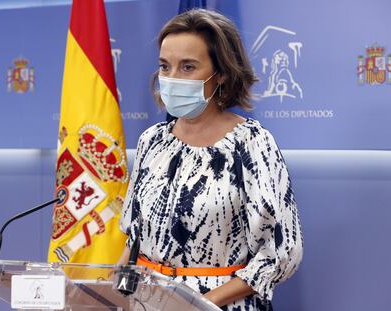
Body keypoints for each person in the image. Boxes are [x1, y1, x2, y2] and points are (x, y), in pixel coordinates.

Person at [118, 9, 303, 311]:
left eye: (187, 67)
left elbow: (280, 253)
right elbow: (134, 239)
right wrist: (112, 294)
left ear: (222, 74)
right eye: (165, 67)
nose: (172, 78)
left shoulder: (253, 145)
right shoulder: (152, 141)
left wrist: (197, 304)